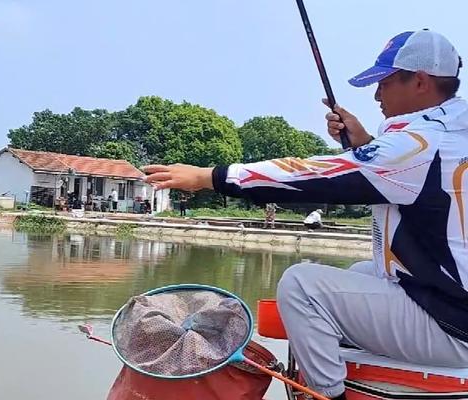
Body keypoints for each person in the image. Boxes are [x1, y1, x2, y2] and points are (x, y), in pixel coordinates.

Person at [143, 30, 468, 400]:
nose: (377, 95)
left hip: (451, 323)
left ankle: (327, 395)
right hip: (452, 301)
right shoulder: (452, 132)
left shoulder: (419, 145)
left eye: (385, 82)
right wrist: (365, 148)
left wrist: (210, 177)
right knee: (361, 272)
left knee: (301, 285)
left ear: (421, 81)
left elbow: (313, 176)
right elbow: (410, 183)